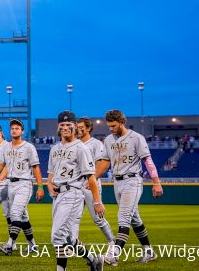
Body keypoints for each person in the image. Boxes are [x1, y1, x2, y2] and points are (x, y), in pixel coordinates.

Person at [95, 110, 163, 265]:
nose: (111, 128)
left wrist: (156, 181)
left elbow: (147, 160)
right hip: (117, 182)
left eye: (113, 125)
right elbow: (105, 162)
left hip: (133, 180)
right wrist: (93, 177)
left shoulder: (136, 138)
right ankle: (149, 251)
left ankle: (114, 254)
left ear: (122, 122)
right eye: (109, 126)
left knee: (124, 216)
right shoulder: (108, 140)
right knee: (134, 219)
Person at [48, 111, 105, 271]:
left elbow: (91, 177)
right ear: (58, 127)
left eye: (69, 125)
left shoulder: (81, 148)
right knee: (69, 238)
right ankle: (94, 259)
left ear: (74, 127)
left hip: (73, 194)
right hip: (58, 196)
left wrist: (97, 201)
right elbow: (51, 172)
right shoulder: (54, 148)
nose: (65, 127)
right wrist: (49, 184)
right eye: (62, 125)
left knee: (57, 236)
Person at [0, 118, 44, 255]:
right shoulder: (6, 147)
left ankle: (9, 244)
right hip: (10, 184)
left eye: (17, 128)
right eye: (12, 128)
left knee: (15, 213)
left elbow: (36, 168)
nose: (14, 130)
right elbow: (0, 166)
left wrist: (41, 187)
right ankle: (33, 245)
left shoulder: (29, 147)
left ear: (22, 131)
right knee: (23, 217)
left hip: (24, 183)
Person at [76, 117, 115, 245]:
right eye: (78, 127)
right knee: (74, 217)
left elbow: (100, 164)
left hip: (90, 184)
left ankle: (112, 242)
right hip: (77, 185)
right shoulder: (75, 144)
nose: (79, 129)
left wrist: (94, 179)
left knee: (98, 218)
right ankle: (73, 243)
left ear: (88, 128)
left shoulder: (96, 144)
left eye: (82, 127)